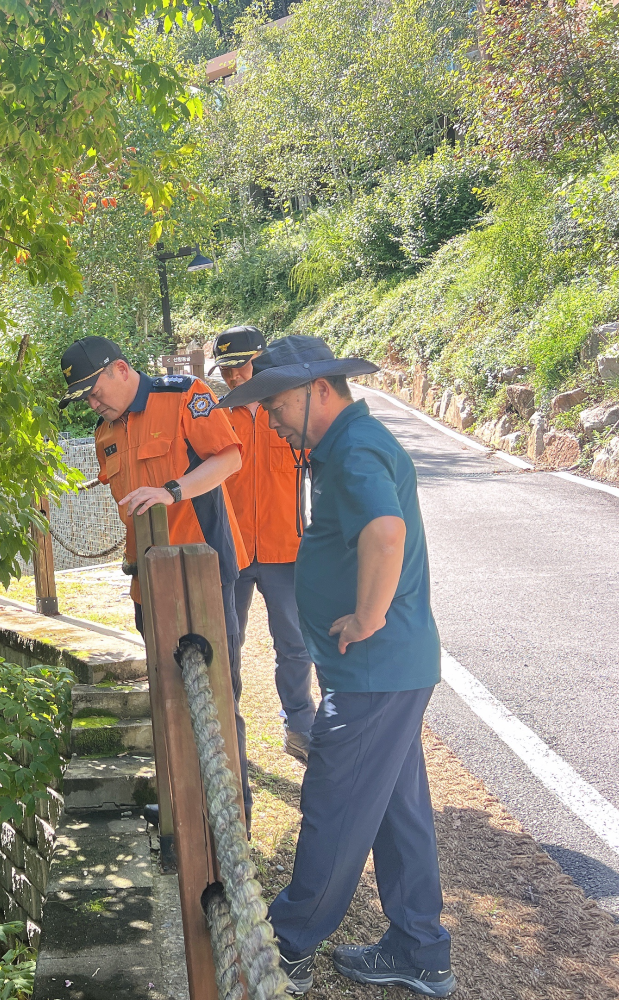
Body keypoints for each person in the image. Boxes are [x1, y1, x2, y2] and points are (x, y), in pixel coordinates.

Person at [215, 336, 456, 998]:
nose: (271, 420)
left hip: (374, 672)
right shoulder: (347, 447)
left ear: (318, 390)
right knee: (398, 811)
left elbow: (385, 532)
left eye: (275, 405)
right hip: (386, 672)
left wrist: (367, 617)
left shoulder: (353, 451)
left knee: (333, 803)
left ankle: (287, 946)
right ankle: (420, 949)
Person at [57, 336, 255, 825]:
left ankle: (233, 817)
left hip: (203, 574)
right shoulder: (105, 432)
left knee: (216, 693)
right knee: (168, 696)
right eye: (84, 397)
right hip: (148, 583)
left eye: (94, 390)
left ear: (121, 370)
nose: (92, 402)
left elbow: (229, 459)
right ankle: (180, 810)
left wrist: (173, 490)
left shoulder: (183, 395)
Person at [209, 326, 315, 763]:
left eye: (241, 366)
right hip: (230, 550)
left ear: (262, 360)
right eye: (226, 370)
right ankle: (226, 726)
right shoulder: (216, 417)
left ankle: (300, 725)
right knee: (225, 642)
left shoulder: (288, 412)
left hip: (284, 549)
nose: (234, 376)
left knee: (295, 643)